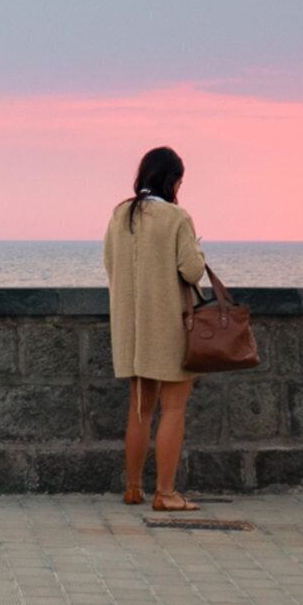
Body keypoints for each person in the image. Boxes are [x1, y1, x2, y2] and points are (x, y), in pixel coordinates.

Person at [99, 145, 208, 513]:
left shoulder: (120, 214)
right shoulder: (177, 217)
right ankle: (166, 492)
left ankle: (133, 487)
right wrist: (199, 251)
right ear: (173, 180)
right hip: (169, 326)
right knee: (173, 409)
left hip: (131, 327)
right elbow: (192, 271)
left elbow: (110, 264)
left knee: (140, 409)